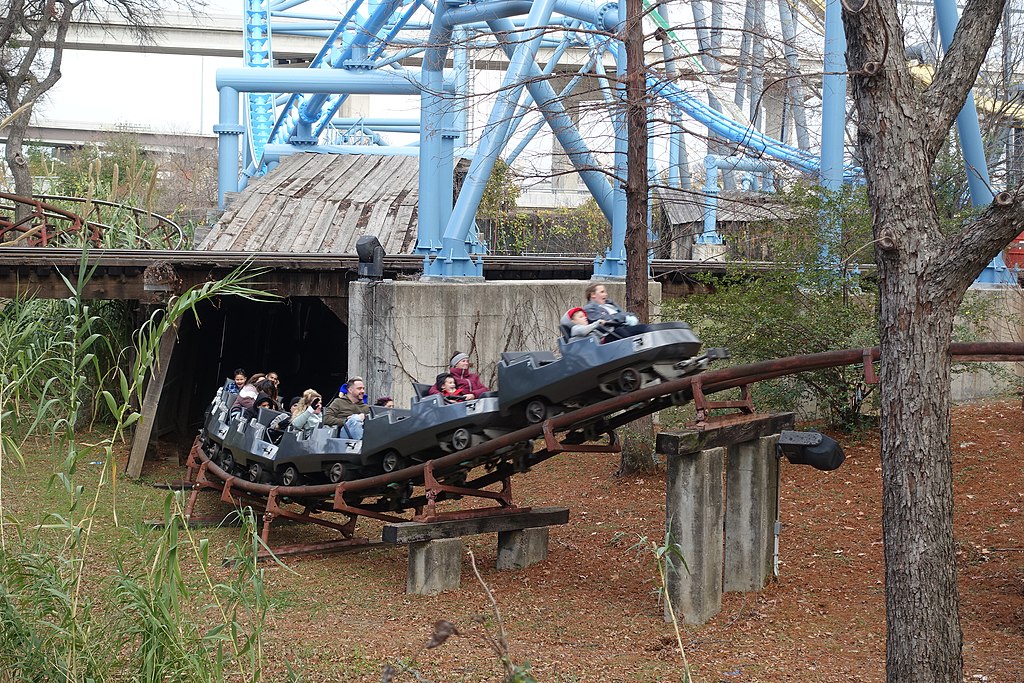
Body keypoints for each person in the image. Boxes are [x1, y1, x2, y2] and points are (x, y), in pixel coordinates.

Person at [582, 283, 652, 341]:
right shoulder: (589, 308)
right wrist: (623, 318)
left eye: (605, 292)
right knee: (624, 333)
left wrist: (631, 316)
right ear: (593, 295)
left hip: (622, 328)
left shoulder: (610, 304)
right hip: (609, 333)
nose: (606, 294)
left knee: (645, 328)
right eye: (602, 292)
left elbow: (623, 313)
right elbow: (603, 320)